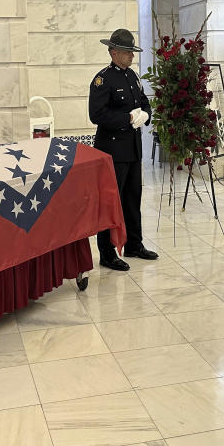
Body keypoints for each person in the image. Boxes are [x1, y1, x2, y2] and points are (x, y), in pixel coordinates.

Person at [89, 29, 157, 271]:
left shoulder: (133, 77)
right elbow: (96, 115)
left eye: (132, 52)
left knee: (132, 199)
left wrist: (146, 114)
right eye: (127, 52)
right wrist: (127, 118)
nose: (131, 56)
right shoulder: (102, 80)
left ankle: (133, 244)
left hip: (132, 149)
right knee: (111, 202)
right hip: (112, 151)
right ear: (113, 52)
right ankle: (107, 253)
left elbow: (144, 100)